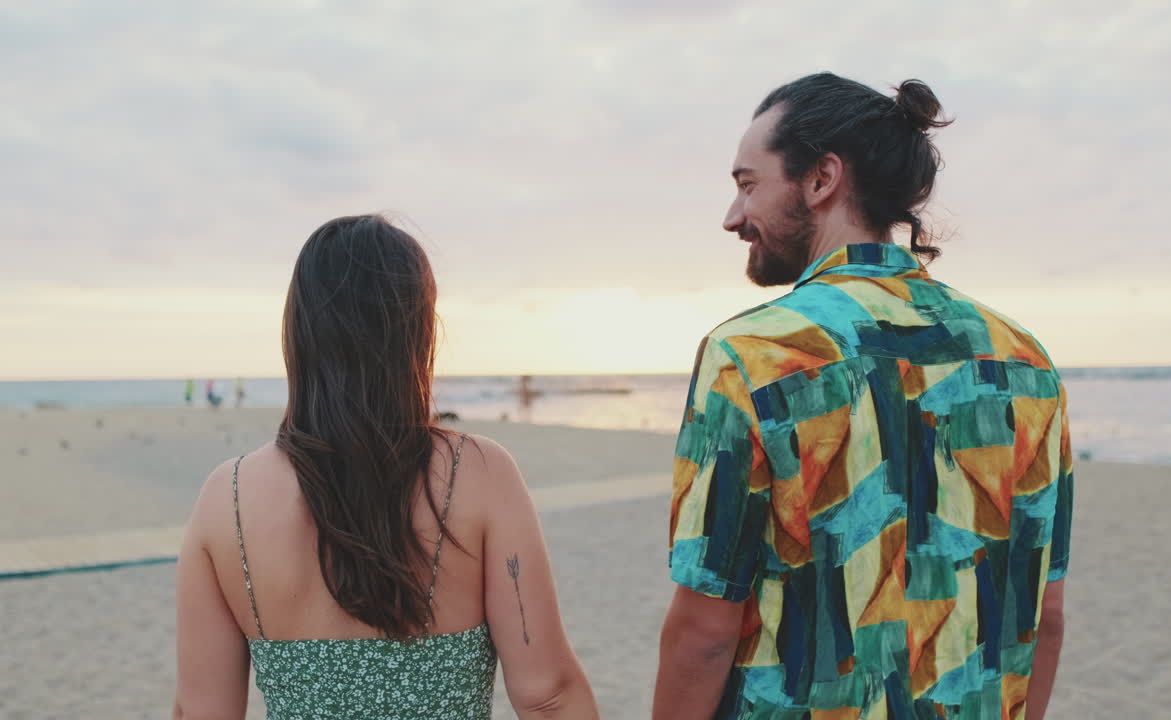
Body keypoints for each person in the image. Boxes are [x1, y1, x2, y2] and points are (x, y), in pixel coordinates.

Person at [654, 73, 1073, 720]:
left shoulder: (755, 354)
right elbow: (1044, 615)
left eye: (747, 185)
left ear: (822, 179)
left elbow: (706, 628)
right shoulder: (1025, 358)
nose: (733, 216)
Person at [174, 215, 598, 719]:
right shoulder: (479, 474)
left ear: (299, 332)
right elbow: (547, 695)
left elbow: (201, 712)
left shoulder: (229, 497)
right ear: (418, 332)